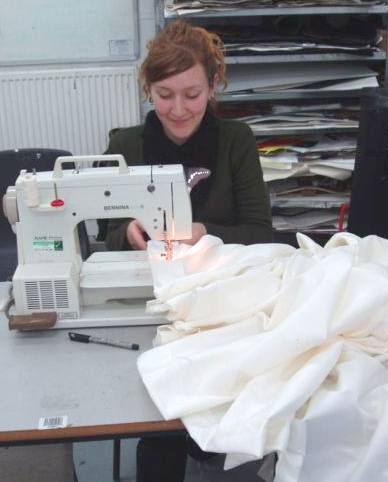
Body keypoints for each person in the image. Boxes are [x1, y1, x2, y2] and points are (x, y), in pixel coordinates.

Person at [103, 19, 273, 482]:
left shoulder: (236, 142)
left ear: (214, 85)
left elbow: (262, 232)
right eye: (164, 94)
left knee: (225, 431)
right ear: (147, 89)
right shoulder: (125, 145)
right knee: (156, 423)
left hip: (223, 303)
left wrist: (204, 231)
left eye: (192, 94)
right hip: (152, 305)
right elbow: (103, 234)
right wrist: (129, 231)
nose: (178, 109)